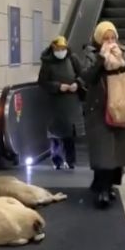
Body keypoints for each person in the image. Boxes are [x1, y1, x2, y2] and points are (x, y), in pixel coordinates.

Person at [78, 21, 125, 209]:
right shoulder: (91, 54)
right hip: (98, 108)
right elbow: (86, 77)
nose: (110, 42)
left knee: (117, 150)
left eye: (112, 38)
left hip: (120, 106)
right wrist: (102, 60)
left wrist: (122, 63)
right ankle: (102, 189)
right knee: (103, 150)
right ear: (98, 39)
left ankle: (108, 185)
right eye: (105, 38)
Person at [37, 36, 83, 170]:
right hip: (55, 103)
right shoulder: (47, 63)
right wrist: (57, 86)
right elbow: (42, 82)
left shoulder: (72, 59)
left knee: (70, 135)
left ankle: (71, 161)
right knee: (55, 134)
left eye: (63, 48)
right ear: (53, 48)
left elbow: (83, 75)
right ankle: (57, 160)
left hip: (71, 103)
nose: (61, 51)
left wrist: (77, 84)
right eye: (58, 49)